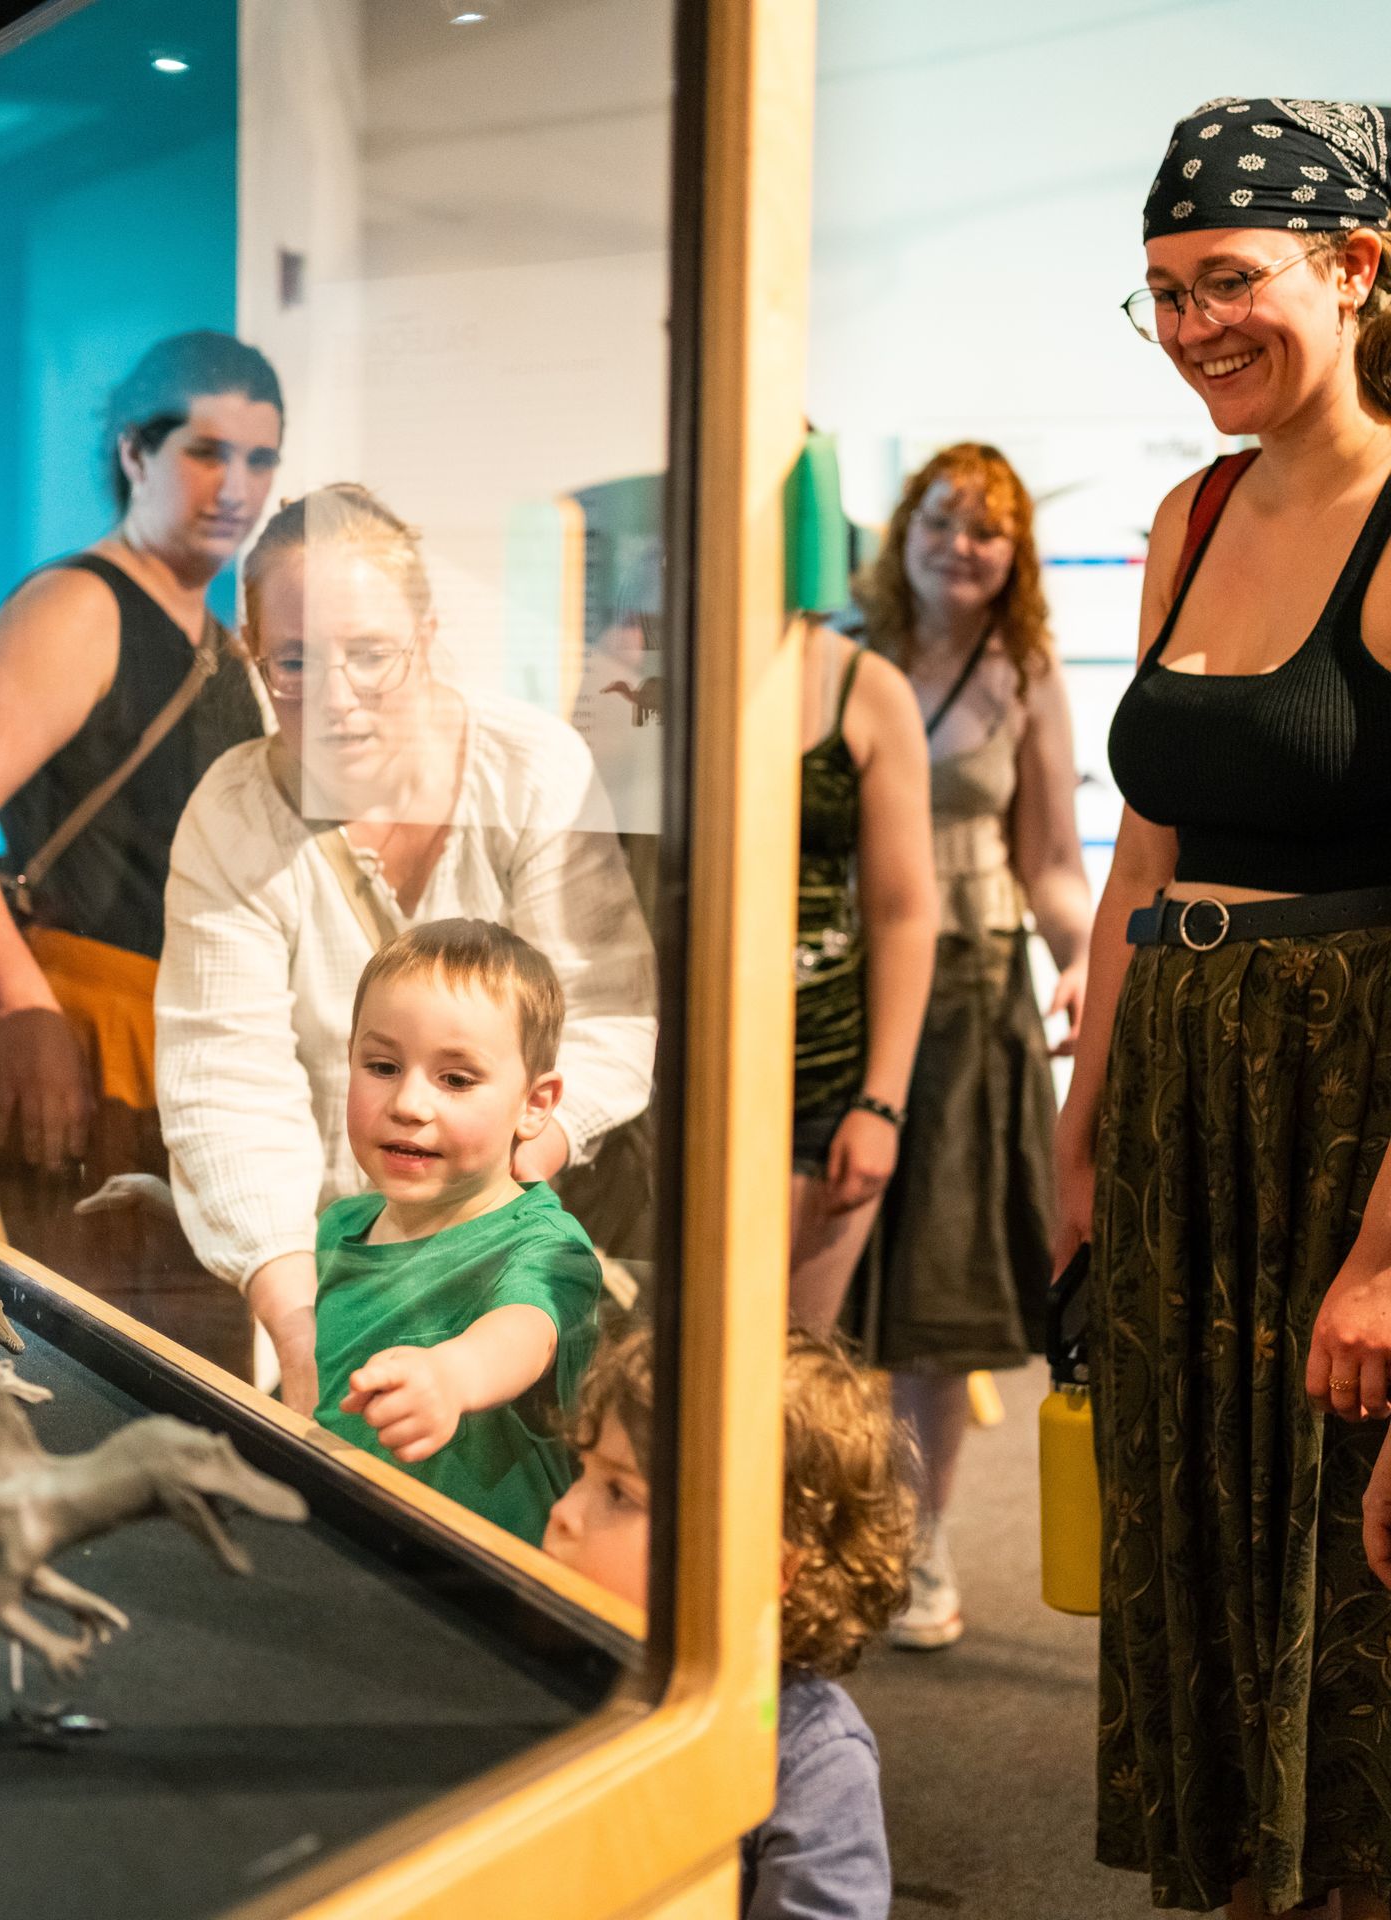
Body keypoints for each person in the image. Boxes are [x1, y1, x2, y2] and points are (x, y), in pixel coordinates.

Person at [1056, 98, 1391, 1919]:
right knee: (1192, 1537)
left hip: (1351, 1108)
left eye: (1232, 279)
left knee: (1349, 1581)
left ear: (1354, 267)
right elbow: (1140, 849)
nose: (1196, 327)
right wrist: (1082, 1122)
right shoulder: (1192, 512)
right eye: (1166, 293)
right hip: (1186, 1094)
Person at [155, 483, 657, 1411]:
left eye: (372, 657)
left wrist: (488, 1197)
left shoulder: (533, 770)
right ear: (253, 659)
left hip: (536, 1229)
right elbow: (225, 1085)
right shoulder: (231, 817)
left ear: (427, 640)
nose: (337, 700)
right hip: (347, 1266)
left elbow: (607, 1021)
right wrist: (304, 1330)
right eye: (294, 663)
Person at [0, 332, 281, 1353]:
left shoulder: (220, 640)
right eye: (206, 450)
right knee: (98, 1364)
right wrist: (23, 1002)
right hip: (89, 1033)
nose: (234, 485)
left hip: (184, 1048)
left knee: (203, 1372)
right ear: (134, 454)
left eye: (259, 458)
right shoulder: (80, 606)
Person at [850, 442, 1091, 1650]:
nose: (961, 544)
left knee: (937, 1300)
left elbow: (1053, 860)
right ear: (904, 529)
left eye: (987, 531)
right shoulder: (845, 650)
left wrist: (1088, 964)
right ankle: (817, 1527)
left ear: (1015, 557)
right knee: (830, 1279)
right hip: (843, 991)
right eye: (942, 519)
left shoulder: (1026, 671)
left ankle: (921, 1537)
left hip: (977, 996)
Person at [544, 1324, 911, 1920]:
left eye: (618, 1493)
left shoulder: (810, 1758)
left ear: (763, 1566)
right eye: (580, 1474)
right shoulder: (569, 1663)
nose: (564, 1512)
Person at [311, 919, 601, 1544]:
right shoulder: (340, 1227)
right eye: (383, 1066)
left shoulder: (544, 1246)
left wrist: (453, 1375)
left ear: (535, 1104)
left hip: (481, 1587)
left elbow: (527, 1330)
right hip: (354, 1545)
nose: (409, 1103)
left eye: (457, 1079)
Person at [789, 620, 938, 1335]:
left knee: (790, 1373)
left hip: (819, 1078)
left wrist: (880, 1104)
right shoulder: (641, 655)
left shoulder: (866, 685)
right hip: (667, 1079)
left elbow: (903, 909)